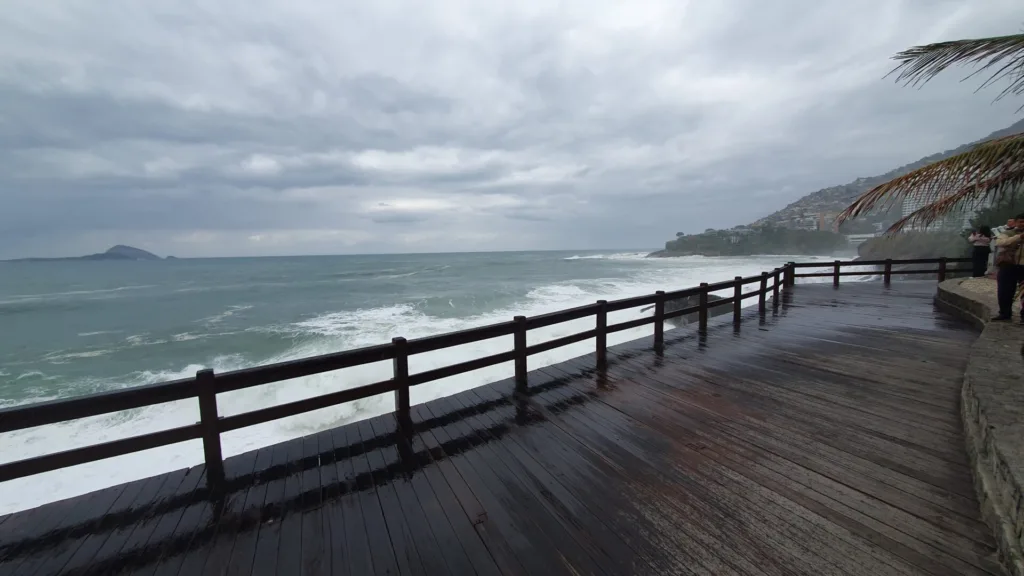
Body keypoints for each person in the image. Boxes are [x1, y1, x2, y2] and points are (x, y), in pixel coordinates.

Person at [992, 215, 1024, 322]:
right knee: (1005, 291)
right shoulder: (1008, 233)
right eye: (1021, 222)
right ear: (1015, 222)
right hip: (1008, 264)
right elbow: (1000, 242)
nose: (1022, 224)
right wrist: (1019, 237)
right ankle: (1005, 313)